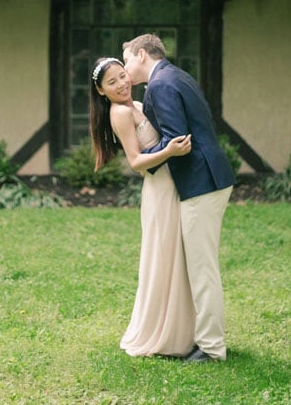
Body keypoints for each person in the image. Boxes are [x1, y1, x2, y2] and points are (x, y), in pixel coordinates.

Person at [122, 34, 237, 362]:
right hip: (209, 177)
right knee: (200, 266)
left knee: (202, 268)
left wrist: (144, 161)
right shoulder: (176, 75)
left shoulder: (160, 85)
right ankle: (200, 338)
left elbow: (177, 139)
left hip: (202, 182)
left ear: (142, 54)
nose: (127, 67)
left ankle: (212, 348)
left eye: (128, 59)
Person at [90, 57, 196, 359]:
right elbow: (136, 162)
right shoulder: (120, 113)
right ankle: (163, 334)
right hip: (159, 190)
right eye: (112, 82)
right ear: (101, 91)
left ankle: (184, 328)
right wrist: (169, 151)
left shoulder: (136, 104)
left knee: (178, 257)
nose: (122, 84)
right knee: (164, 258)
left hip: (172, 184)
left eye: (123, 76)